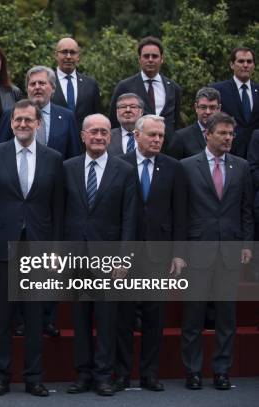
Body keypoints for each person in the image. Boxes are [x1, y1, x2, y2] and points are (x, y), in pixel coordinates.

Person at [0, 99, 65, 397]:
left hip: (39, 248)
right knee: (2, 318)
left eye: (28, 120)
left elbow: (58, 209)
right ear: (12, 122)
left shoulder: (54, 158)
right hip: (3, 246)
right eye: (18, 120)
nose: (22, 125)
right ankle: (0, 377)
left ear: (38, 123)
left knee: (34, 318)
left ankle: (34, 378)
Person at [63, 113, 137, 397]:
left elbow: (130, 219)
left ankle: (104, 375)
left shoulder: (124, 169)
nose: (99, 136)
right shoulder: (67, 168)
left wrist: (123, 258)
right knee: (80, 320)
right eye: (94, 131)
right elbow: (60, 213)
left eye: (105, 132)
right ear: (83, 135)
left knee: (107, 320)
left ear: (111, 136)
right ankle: (83, 374)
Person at [180, 112, 253, 391]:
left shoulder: (242, 166)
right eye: (222, 133)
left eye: (231, 134)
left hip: (230, 250)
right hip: (197, 250)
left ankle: (221, 371)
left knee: (226, 317)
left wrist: (246, 244)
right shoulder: (187, 166)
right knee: (193, 316)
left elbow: (246, 209)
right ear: (207, 135)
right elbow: (182, 212)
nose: (228, 138)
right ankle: (193, 371)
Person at [114, 115, 187, 392]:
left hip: (159, 253)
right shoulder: (120, 165)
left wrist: (179, 253)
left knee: (154, 319)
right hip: (126, 253)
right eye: (152, 135)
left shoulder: (173, 168)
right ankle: (122, 374)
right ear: (137, 136)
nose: (157, 140)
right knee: (123, 317)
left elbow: (180, 214)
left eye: (161, 136)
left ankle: (149, 374)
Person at [109, 36, 181, 149]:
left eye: (155, 56)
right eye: (146, 56)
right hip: (136, 149)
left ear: (162, 59)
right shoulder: (125, 86)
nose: (150, 60)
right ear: (139, 59)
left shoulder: (173, 87)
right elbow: (114, 120)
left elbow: (176, 122)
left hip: (168, 150)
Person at [0, 66, 80, 159]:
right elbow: (0, 151)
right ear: (27, 89)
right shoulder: (10, 113)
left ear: (53, 88)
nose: (37, 87)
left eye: (42, 83)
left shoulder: (67, 116)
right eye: (32, 84)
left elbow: (74, 157)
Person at [211, 47, 258, 158]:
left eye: (249, 62)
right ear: (232, 65)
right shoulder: (218, 90)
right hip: (228, 154)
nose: (245, 65)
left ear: (254, 66)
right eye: (241, 61)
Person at [52, 37, 101, 130]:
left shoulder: (91, 84)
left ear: (78, 56)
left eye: (73, 52)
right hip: (55, 142)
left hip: (83, 142)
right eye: (64, 52)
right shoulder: (47, 83)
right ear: (56, 55)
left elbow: (97, 116)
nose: (69, 56)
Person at [169, 87, 222, 160]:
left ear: (219, 108)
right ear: (196, 107)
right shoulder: (181, 138)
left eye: (212, 107)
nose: (208, 112)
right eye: (203, 107)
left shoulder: (228, 136)